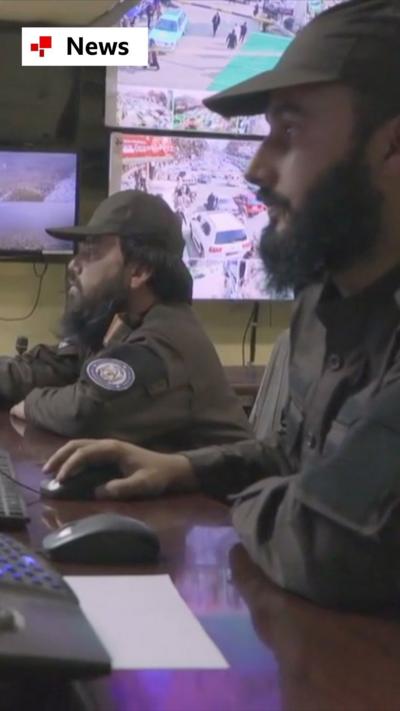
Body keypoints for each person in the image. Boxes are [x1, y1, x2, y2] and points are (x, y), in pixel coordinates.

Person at [44, 0, 400, 610]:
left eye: (289, 130)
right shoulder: (323, 304)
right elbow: (294, 456)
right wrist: (183, 470)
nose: (257, 168)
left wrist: (254, 500)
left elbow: (338, 542)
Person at [4, 190, 250, 449]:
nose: (73, 265)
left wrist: (30, 405)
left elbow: (87, 410)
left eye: (92, 252)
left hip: (220, 489)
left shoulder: (165, 342)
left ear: (140, 271)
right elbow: (55, 367)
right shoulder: (122, 321)